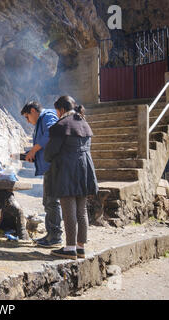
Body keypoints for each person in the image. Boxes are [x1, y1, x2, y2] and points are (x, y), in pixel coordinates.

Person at [43, 96, 98, 260]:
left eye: (56, 111)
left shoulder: (61, 126)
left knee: (69, 210)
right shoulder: (84, 123)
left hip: (67, 170)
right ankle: (80, 247)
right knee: (82, 210)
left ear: (60, 110)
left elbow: (50, 153)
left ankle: (69, 248)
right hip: (85, 169)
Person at [20, 101, 63, 248]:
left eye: (27, 117)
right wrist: (31, 153)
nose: (27, 121)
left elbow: (51, 133)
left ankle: (55, 237)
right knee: (48, 202)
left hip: (54, 165)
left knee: (52, 202)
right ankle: (51, 235)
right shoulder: (41, 120)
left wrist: (34, 150)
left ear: (33, 111)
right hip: (49, 166)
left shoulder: (47, 116)